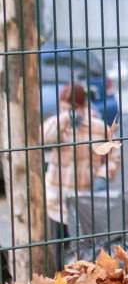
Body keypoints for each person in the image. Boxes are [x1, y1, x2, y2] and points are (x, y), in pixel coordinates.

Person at [41, 83, 121, 268]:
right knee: (59, 246)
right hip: (57, 198)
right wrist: (64, 120)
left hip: (84, 198)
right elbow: (43, 138)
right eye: (64, 108)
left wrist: (103, 176)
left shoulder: (98, 127)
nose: (68, 111)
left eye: (72, 108)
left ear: (83, 106)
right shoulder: (57, 124)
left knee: (85, 249)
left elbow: (114, 155)